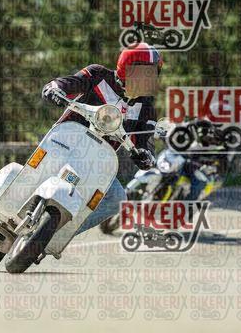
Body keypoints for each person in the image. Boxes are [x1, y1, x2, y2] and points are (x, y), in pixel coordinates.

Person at [41, 42, 163, 234]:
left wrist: (146, 157)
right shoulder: (97, 75)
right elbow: (69, 82)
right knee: (30, 176)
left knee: (116, 199)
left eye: (152, 74)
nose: (149, 79)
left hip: (95, 164)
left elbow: (146, 143)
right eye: (144, 73)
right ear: (126, 68)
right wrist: (55, 88)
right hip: (63, 143)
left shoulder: (146, 107)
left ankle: (61, 234)